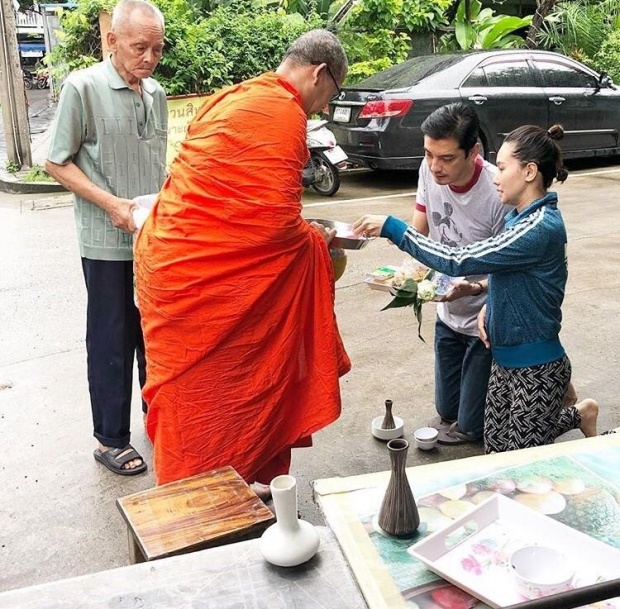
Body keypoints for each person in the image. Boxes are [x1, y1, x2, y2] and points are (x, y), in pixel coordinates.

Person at [133, 29, 351, 495]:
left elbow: (233, 207)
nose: (325, 108)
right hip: (204, 285)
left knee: (205, 394)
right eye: (330, 94)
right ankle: (204, 503)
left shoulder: (234, 97)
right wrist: (319, 240)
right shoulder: (282, 112)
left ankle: (239, 486)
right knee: (214, 398)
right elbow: (275, 228)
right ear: (318, 73)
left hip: (169, 263)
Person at [354, 124, 599, 453]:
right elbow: (515, 276)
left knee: (519, 464)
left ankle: (579, 414)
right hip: (504, 359)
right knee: (494, 452)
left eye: (502, 168)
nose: (495, 178)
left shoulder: (538, 227)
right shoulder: (518, 218)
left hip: (536, 368)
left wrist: (394, 228)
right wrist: (491, 306)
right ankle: (580, 413)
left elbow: (458, 259)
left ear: (529, 172)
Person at [45, 0, 167, 475]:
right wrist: (111, 204)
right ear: (112, 41)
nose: (150, 58)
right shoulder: (83, 87)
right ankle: (110, 439)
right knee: (112, 338)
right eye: (140, 47)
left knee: (152, 335)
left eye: (157, 48)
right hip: (105, 241)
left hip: (152, 240)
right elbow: (56, 161)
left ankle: (153, 415)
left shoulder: (155, 92)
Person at [413, 103, 510, 445]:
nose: (435, 167)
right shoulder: (429, 169)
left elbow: (509, 269)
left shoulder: (499, 191)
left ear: (473, 152)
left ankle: (542, 391)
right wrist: (410, 273)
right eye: (429, 155)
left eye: (447, 159)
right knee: (446, 411)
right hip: (447, 309)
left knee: (469, 428)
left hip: (484, 316)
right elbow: (420, 227)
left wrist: (473, 287)